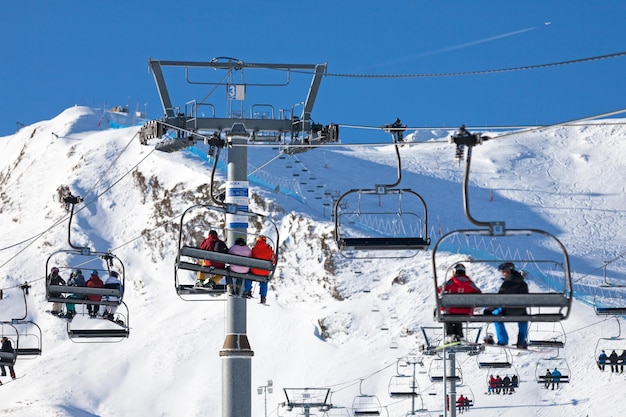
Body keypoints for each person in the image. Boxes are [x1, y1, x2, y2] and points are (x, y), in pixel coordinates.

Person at [485, 262, 529, 348]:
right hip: (521, 311)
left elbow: (499, 300)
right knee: (524, 319)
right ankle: (521, 341)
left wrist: (489, 310)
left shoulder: (507, 284)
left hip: (507, 311)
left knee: (496, 316)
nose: (503, 273)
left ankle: (503, 340)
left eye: (504, 271)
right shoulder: (523, 283)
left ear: (509, 271)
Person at [438, 263, 481, 342]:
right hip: (466, 311)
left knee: (450, 315)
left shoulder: (450, 283)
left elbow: (439, 290)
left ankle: (450, 336)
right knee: (459, 316)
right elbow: (478, 293)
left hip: (451, 311)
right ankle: (459, 336)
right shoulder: (470, 283)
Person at [246, 235, 276, 303]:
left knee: (248, 276)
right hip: (265, 272)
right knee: (264, 281)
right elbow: (274, 260)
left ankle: (247, 291)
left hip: (254, 271)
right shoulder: (269, 250)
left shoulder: (254, 249)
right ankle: (263, 297)